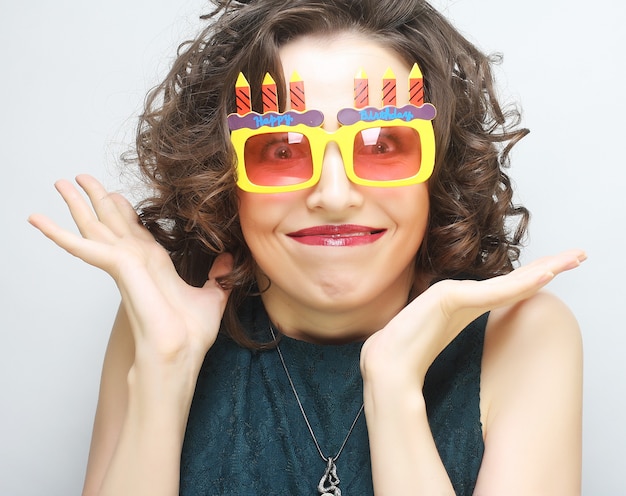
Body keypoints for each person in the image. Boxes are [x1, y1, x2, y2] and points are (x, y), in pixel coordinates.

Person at [29, 0, 585, 494]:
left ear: (438, 172)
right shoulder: (158, 319)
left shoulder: (523, 334)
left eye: (383, 144)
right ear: (224, 177)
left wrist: (393, 389)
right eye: (281, 150)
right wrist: (165, 364)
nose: (335, 195)